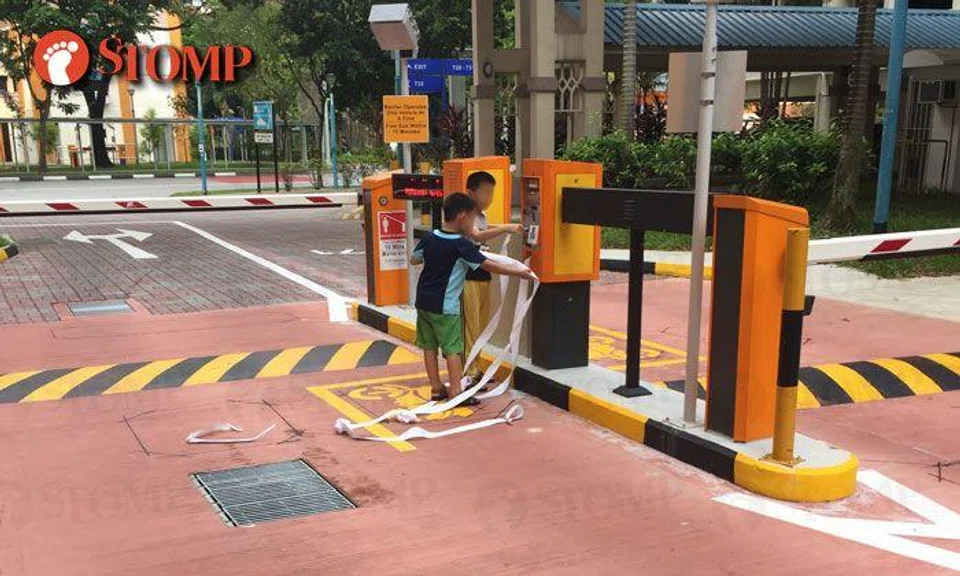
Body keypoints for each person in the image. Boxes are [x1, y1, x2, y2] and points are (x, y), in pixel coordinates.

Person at [411, 192, 535, 405]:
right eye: (472, 219)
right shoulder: (462, 245)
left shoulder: (430, 237)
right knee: (453, 349)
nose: (473, 225)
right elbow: (489, 265)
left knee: (429, 346)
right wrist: (520, 272)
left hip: (423, 302)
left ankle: (437, 388)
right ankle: (456, 392)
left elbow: (414, 259)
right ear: (462, 216)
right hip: (445, 306)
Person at [462, 171, 523, 386]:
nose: (489, 198)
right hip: (467, 277)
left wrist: (506, 228)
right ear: (471, 192)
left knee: (480, 326)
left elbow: (483, 231)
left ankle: (474, 368)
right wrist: (506, 227)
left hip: (482, 275)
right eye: (485, 192)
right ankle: (468, 374)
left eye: (492, 193)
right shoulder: (464, 213)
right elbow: (476, 235)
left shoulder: (481, 215)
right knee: (470, 327)